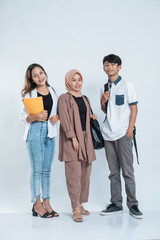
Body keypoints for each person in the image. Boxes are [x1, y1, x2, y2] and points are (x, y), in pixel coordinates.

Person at [100, 54, 143, 219]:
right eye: (106, 65)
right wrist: (103, 101)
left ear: (119, 67)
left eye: (112, 64)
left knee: (127, 171)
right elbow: (106, 110)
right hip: (108, 134)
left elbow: (134, 109)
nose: (109, 67)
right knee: (113, 172)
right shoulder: (104, 87)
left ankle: (133, 205)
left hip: (123, 134)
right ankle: (116, 203)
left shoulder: (127, 85)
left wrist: (129, 131)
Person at [20, 63, 59, 218]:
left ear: (45, 73)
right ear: (32, 79)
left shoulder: (53, 91)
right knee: (37, 170)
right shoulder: (29, 94)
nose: (39, 77)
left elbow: (56, 112)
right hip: (35, 132)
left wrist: (57, 117)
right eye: (35, 75)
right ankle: (36, 204)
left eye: (41, 73)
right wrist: (37, 116)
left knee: (47, 170)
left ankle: (46, 202)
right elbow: (23, 117)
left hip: (50, 132)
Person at [58, 69, 96, 222]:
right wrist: (72, 137)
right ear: (68, 81)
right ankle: (75, 208)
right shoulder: (64, 98)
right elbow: (65, 119)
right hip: (72, 139)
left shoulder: (85, 98)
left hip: (86, 138)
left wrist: (92, 116)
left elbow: (84, 116)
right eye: (73, 80)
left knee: (85, 173)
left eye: (79, 79)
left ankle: (80, 204)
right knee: (74, 174)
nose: (77, 83)